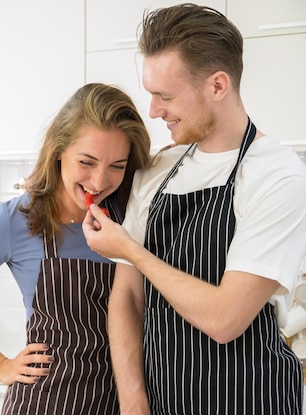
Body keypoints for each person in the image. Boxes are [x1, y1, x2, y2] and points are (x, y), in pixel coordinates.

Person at [82, 4, 306, 415]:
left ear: (218, 85)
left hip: (248, 400)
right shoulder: (159, 169)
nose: (153, 111)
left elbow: (225, 319)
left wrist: (130, 250)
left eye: (165, 96)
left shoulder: (277, 174)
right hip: (163, 401)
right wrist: (133, 402)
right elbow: (127, 297)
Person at [0, 83, 152, 414]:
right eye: (87, 162)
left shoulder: (132, 219)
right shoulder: (14, 221)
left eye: (117, 166)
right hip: (46, 402)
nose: (98, 181)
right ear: (59, 150)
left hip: (119, 402)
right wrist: (0, 365)